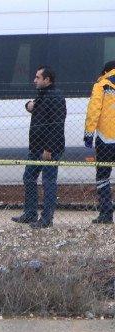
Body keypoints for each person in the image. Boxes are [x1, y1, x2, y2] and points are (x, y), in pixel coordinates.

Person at [14, 66, 66, 229]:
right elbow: (36, 108)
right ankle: (30, 213)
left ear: (47, 80)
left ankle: (46, 219)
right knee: (29, 177)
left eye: (38, 77)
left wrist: (49, 149)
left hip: (48, 149)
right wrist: (28, 105)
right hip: (36, 147)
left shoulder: (55, 97)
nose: (34, 80)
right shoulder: (43, 95)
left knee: (48, 182)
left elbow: (57, 125)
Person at [84, 60, 115, 225]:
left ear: (105, 71)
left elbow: (94, 110)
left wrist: (88, 134)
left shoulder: (102, 85)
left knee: (103, 176)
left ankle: (106, 214)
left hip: (106, 140)